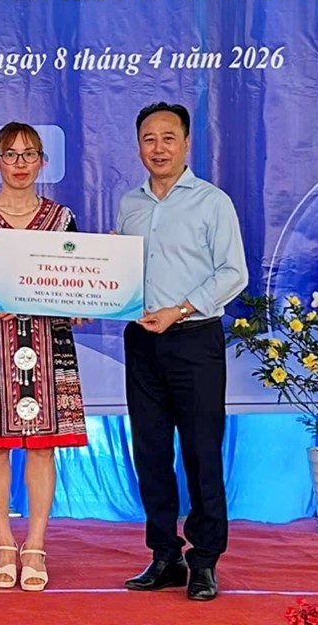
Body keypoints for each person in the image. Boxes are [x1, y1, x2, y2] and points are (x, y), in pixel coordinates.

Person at [0, 122, 88, 592]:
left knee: (44, 445)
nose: (20, 164)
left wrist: (83, 303)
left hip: (48, 340)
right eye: (10, 154)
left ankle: (37, 544)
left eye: (29, 155)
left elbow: (78, 277)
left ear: (42, 161)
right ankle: (4, 543)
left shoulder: (61, 219)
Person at [116, 102, 247, 602]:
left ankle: (205, 560)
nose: (159, 148)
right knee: (150, 452)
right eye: (149, 139)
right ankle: (164, 555)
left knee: (201, 452)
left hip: (195, 339)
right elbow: (121, 273)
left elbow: (233, 273)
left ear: (187, 144)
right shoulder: (129, 204)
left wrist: (181, 308)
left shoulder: (213, 202)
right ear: (138, 146)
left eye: (168, 138)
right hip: (141, 342)